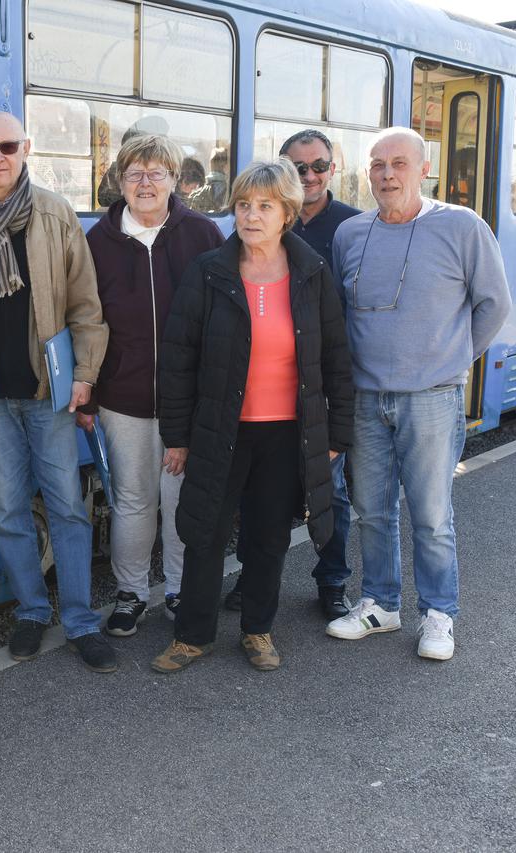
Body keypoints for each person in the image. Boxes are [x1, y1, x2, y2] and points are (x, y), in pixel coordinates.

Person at [0, 111, 118, 673]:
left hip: (47, 392)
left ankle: (81, 620)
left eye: (7, 146)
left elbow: (86, 307)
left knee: (66, 507)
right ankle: (33, 611)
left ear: (26, 148)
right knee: (8, 510)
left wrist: (85, 375)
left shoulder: (56, 215)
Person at [152, 158, 354, 674]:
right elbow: (177, 358)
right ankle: (192, 635)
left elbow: (336, 358)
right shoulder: (209, 271)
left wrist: (336, 434)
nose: (251, 215)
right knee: (204, 533)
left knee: (270, 536)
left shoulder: (311, 273)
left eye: (264, 205)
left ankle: (258, 630)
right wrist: (176, 436)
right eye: (243, 205)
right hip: (221, 430)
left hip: (286, 434)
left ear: (286, 212)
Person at [326, 127, 510, 661]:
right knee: (371, 510)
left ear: (423, 169)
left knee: (431, 514)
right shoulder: (351, 234)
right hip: (366, 398)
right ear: (367, 174)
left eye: (400, 163)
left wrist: (451, 362)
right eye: (378, 165)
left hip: (431, 397)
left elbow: (494, 304)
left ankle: (438, 614)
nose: (388, 175)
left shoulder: (462, 227)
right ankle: (381, 604)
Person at [80, 133, 224, 635]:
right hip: (123, 397)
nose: (145, 183)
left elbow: (225, 317)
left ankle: (180, 589)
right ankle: (132, 593)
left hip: (189, 399)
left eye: (156, 173)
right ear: (120, 181)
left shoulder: (202, 235)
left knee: (181, 497)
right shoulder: (97, 241)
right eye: (134, 173)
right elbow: (84, 319)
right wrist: (90, 393)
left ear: (174, 181)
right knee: (133, 498)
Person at [227, 129, 362, 620]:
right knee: (259, 496)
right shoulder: (257, 225)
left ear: (333, 168)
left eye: (318, 166)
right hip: (267, 392)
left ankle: (331, 582)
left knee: (331, 491)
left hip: (318, 383)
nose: (309, 176)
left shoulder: (350, 226)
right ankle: (251, 578)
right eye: (298, 168)